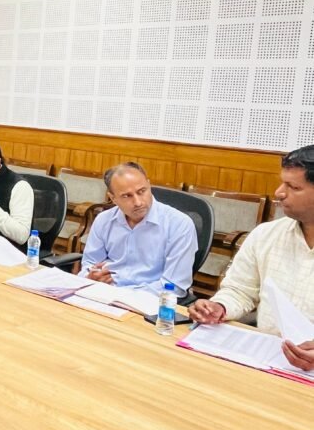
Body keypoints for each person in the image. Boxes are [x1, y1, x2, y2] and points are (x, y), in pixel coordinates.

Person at [190, 145, 314, 372]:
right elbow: (240, 290)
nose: (279, 193)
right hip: (266, 357)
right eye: (282, 183)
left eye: (294, 187)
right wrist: (219, 306)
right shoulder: (267, 235)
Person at [77, 162, 196, 297]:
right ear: (113, 198)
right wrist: (90, 276)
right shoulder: (104, 220)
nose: (138, 202)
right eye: (127, 196)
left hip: (148, 299)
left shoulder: (179, 224)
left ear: (149, 186)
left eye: (142, 191)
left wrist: (122, 294)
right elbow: (90, 263)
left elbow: (174, 285)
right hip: (104, 294)